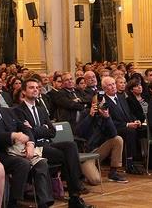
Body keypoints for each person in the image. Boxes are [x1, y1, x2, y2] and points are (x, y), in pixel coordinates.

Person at [15, 79, 94, 208]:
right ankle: (75, 196)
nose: (35, 89)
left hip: (47, 144)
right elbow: (26, 132)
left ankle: (74, 195)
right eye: (31, 87)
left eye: (37, 87)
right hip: (35, 147)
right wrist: (42, 129)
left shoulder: (41, 109)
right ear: (24, 91)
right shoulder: (18, 110)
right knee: (68, 157)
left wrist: (35, 129)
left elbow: (52, 132)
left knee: (71, 145)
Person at [0, 83, 54, 208]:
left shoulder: (7, 111)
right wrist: (13, 135)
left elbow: (24, 126)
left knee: (41, 163)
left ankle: (43, 203)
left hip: (18, 149)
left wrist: (30, 143)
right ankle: (13, 202)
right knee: (22, 163)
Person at [75, 93, 128, 183]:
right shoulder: (85, 113)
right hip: (87, 153)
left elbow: (113, 134)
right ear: (93, 104)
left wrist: (107, 118)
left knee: (118, 139)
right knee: (95, 181)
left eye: (103, 104)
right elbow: (79, 133)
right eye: (99, 104)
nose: (102, 106)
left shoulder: (105, 116)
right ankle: (84, 171)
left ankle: (113, 172)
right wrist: (90, 116)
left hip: (99, 151)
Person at [101, 76, 142, 175]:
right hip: (113, 128)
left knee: (142, 129)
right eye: (110, 85)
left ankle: (140, 160)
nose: (113, 87)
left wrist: (135, 120)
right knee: (130, 132)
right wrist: (127, 124)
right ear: (104, 89)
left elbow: (128, 113)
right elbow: (108, 120)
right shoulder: (104, 101)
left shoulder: (121, 97)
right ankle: (129, 163)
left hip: (125, 125)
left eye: (113, 84)